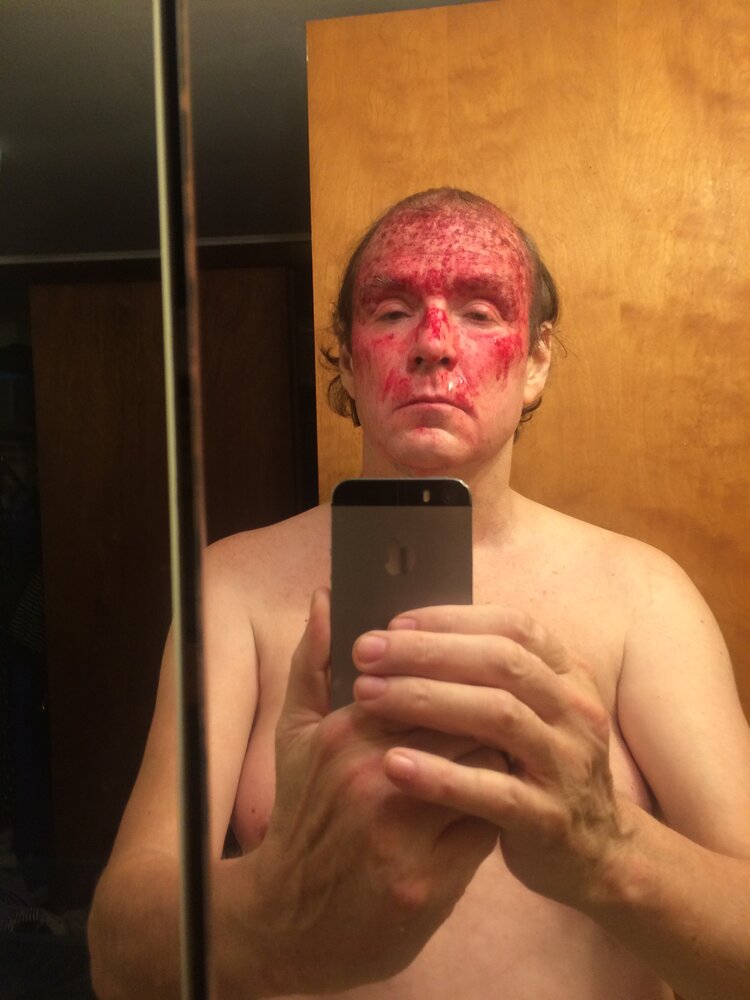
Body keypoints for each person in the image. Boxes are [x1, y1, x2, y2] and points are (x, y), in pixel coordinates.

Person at [88, 188, 750, 1000]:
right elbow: (119, 952)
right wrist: (277, 906)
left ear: (536, 360)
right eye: (394, 311)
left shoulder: (643, 595)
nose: (434, 344)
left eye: (479, 311)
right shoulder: (233, 590)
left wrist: (608, 851)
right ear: (346, 355)